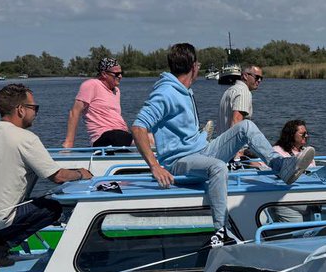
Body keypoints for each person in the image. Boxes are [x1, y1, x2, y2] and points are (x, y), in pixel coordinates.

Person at [131, 44, 315, 247]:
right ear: (194, 66)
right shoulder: (166, 92)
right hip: (179, 162)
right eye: (198, 64)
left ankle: (280, 166)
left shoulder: (184, 90)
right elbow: (138, 127)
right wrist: (155, 166)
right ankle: (221, 231)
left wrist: (201, 135)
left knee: (246, 127)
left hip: (201, 151)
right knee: (217, 167)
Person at [0, 84, 91, 266]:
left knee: (26, 201)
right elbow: (58, 177)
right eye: (34, 108)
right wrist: (81, 173)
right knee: (52, 208)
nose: (36, 112)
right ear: (20, 110)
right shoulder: (26, 138)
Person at [62, 57, 132, 148]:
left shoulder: (116, 91)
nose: (120, 76)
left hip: (121, 135)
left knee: (142, 135)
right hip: (103, 137)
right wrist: (69, 142)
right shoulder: (91, 85)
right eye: (117, 74)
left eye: (121, 73)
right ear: (104, 74)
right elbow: (75, 112)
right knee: (141, 139)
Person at [219, 64, 263, 131]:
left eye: (261, 78)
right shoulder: (244, 92)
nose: (259, 80)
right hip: (233, 137)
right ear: (245, 76)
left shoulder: (229, 91)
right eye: (257, 77)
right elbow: (236, 121)